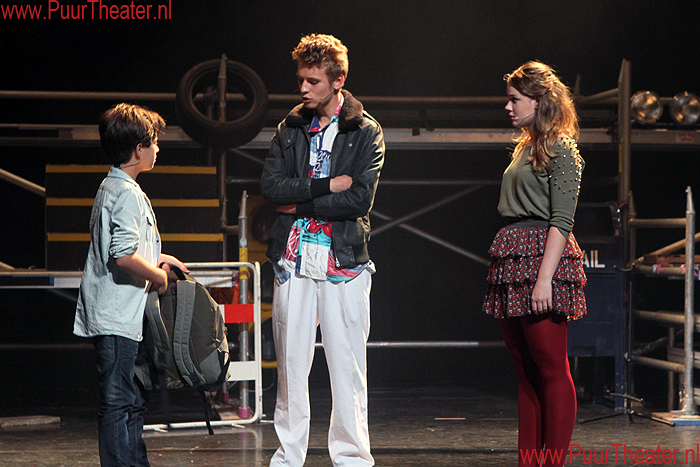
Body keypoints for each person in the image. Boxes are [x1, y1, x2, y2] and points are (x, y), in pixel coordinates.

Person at [260, 33, 384, 467]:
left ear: (338, 80)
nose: (303, 88)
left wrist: (300, 203)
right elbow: (271, 188)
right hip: (293, 260)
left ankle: (352, 458)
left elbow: (359, 199)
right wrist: (326, 185)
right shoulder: (290, 128)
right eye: (301, 79)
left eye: (312, 81)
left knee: (347, 366)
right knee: (291, 366)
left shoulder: (365, 130)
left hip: (343, 261)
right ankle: (287, 457)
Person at [482, 62, 586, 467]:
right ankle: (529, 461)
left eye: (515, 99)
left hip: (542, 258)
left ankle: (552, 462)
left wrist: (544, 280)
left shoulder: (562, 148)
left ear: (539, 100)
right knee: (525, 371)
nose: (508, 107)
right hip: (513, 256)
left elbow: (562, 220)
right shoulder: (525, 146)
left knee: (551, 367)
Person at [73, 103, 188, 467]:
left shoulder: (114, 186)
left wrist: (160, 258)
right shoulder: (126, 193)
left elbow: (125, 246)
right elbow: (122, 255)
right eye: (154, 142)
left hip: (122, 315)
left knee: (132, 398)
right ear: (139, 149)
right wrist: (159, 277)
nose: (158, 148)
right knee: (119, 401)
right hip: (116, 316)